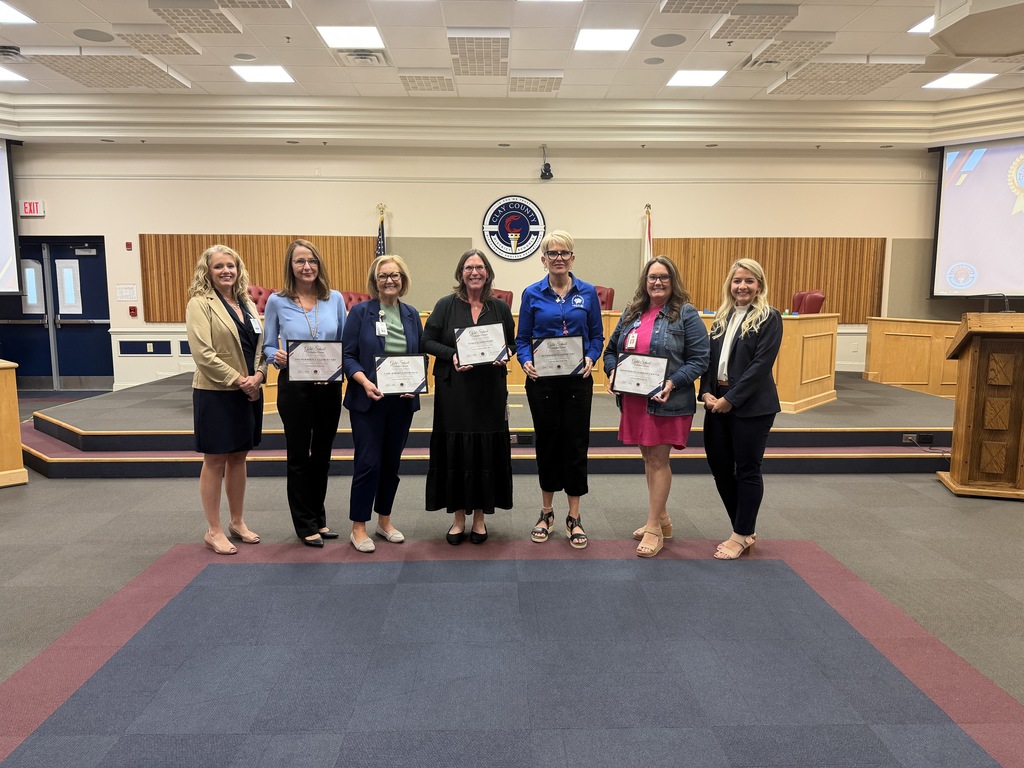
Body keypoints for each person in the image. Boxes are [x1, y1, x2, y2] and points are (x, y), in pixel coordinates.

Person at [604, 257, 709, 558]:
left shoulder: (685, 314)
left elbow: (700, 359)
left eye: (663, 277)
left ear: (673, 280)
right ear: (644, 281)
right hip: (635, 400)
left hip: (667, 400)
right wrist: (612, 371)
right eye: (652, 277)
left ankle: (653, 529)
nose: (657, 282)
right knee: (648, 458)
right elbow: (611, 351)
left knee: (659, 461)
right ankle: (662, 519)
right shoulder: (631, 312)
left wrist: (673, 382)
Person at [515, 230, 604, 549]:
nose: (558, 258)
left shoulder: (589, 293)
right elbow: (521, 340)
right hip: (542, 383)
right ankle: (546, 512)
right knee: (548, 444)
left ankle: (574, 516)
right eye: (552, 253)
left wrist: (593, 358)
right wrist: (525, 362)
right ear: (543, 259)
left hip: (578, 381)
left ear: (573, 257)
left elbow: (597, 338)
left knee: (576, 444)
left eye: (564, 253)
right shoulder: (531, 294)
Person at [423, 248, 515, 544]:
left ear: (487, 273)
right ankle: (458, 518)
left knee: (484, 450)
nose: (474, 272)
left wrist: (505, 355)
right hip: (455, 391)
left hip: (489, 391)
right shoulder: (445, 305)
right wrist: (453, 355)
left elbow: (511, 344)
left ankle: (479, 519)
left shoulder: (499, 307)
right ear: (460, 273)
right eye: (468, 267)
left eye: (479, 267)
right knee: (457, 451)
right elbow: (427, 340)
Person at [262, 239, 347, 548]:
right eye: (299, 261)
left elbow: (343, 342)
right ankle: (304, 523)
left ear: (319, 264)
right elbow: (269, 344)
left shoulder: (334, 299)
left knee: (322, 456)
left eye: (311, 260)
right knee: (299, 455)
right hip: (294, 387)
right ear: (291, 266)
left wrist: (335, 368)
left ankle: (319, 518)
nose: (306, 266)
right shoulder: (276, 301)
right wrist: (275, 357)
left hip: (328, 387)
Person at [185, 244, 267, 555]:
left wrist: (259, 375)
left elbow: (260, 346)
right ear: (208, 271)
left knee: (239, 457)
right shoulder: (199, 303)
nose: (226, 271)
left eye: (230, 266)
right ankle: (214, 529)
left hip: (250, 390)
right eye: (219, 266)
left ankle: (237, 521)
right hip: (216, 392)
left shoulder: (246, 302)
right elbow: (203, 355)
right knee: (215, 459)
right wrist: (239, 380)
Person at [698, 258, 782, 560]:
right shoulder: (722, 316)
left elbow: (760, 366)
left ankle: (741, 532)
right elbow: (709, 360)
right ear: (729, 285)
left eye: (749, 281)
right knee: (720, 468)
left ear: (759, 284)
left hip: (751, 407)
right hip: (716, 402)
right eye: (737, 281)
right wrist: (706, 391)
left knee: (747, 469)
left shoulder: (769, 318)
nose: (742, 286)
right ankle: (743, 529)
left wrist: (730, 399)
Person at [341, 255, 422, 553]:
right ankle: (359, 526)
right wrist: (364, 382)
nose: (390, 280)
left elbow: (418, 357)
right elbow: (347, 355)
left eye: (395, 275)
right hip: (368, 401)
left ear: (403, 280)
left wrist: (415, 385)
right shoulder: (360, 313)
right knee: (368, 463)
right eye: (383, 275)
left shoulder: (412, 314)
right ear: (374, 282)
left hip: (401, 404)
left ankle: (384, 521)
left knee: (391, 464)